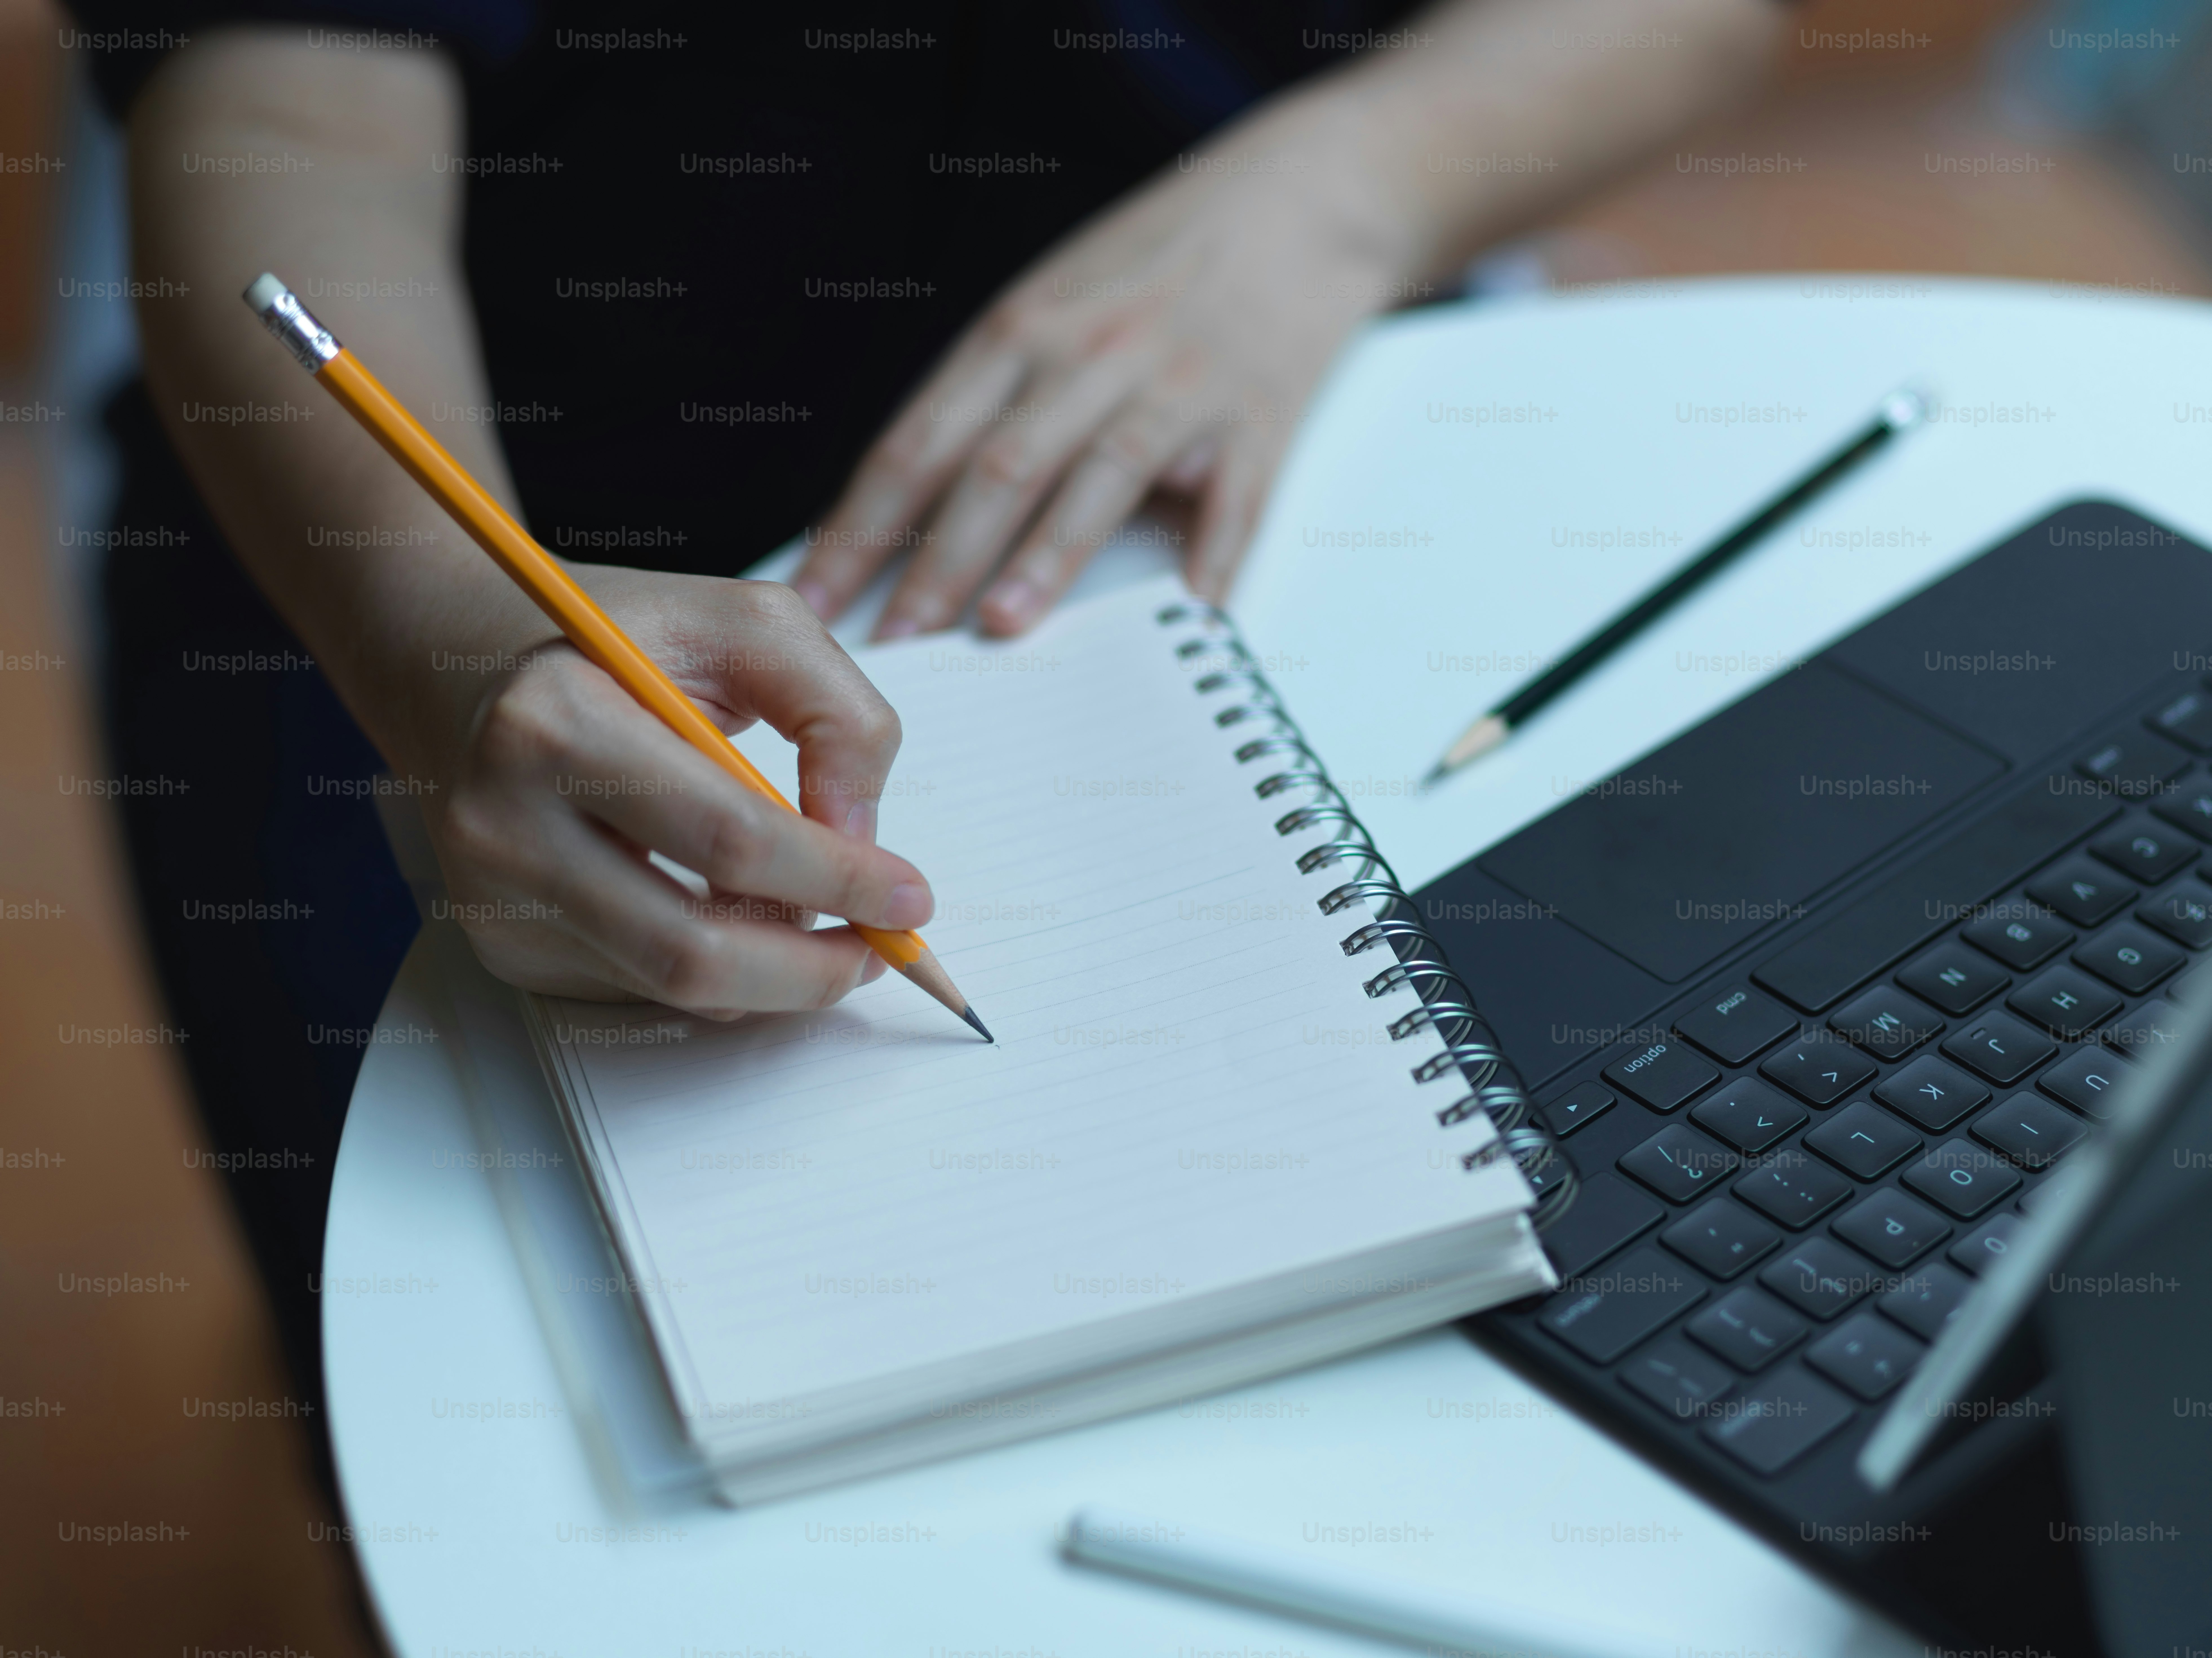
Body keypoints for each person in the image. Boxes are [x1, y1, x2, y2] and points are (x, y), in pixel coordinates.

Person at [78, 0, 1778, 1438]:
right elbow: (276, 99)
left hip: (1278, 365)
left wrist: (1336, 193)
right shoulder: (434, 582)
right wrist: (452, 634)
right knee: (464, 1399)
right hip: (433, 529)